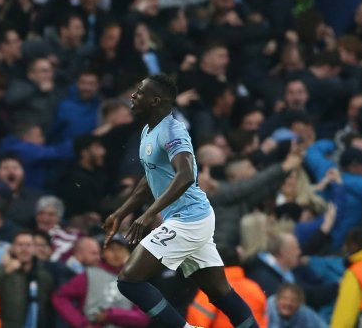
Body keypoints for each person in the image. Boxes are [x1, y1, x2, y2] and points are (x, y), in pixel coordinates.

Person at [103, 75, 259, 328]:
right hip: (191, 218)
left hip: (189, 219)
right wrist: (121, 212)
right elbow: (150, 178)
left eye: (140, 92)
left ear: (155, 100)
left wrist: (147, 215)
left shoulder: (173, 131)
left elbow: (185, 174)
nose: (133, 95)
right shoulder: (147, 130)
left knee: (129, 280)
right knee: (220, 292)